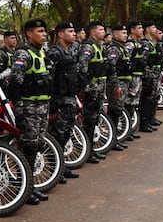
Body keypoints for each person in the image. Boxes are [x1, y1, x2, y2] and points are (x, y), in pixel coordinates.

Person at [9, 19, 54, 204]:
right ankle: (24, 188)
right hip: (29, 108)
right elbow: (15, 84)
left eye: (44, 31)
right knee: (28, 147)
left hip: (42, 107)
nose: (44, 34)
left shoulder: (40, 53)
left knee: (36, 146)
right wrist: (19, 113)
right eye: (40, 31)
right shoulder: (23, 54)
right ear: (29, 34)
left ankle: (30, 185)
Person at [46, 22, 81, 180]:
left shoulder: (69, 50)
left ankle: (61, 166)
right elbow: (49, 78)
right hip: (59, 100)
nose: (74, 34)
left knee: (66, 132)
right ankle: (56, 169)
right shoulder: (55, 52)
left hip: (69, 98)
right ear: (61, 34)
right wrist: (52, 104)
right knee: (58, 134)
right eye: (71, 31)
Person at [76, 20, 113, 162]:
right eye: (101, 30)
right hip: (91, 89)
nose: (103, 32)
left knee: (95, 119)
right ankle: (87, 152)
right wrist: (86, 90)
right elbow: (83, 70)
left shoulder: (100, 47)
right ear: (93, 32)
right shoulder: (88, 47)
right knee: (89, 121)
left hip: (99, 88)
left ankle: (92, 149)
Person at [104, 25, 131, 149]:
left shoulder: (121, 48)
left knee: (118, 110)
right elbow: (111, 68)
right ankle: (112, 140)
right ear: (115, 34)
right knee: (114, 111)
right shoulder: (114, 49)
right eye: (123, 33)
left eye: (126, 33)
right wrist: (115, 86)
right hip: (117, 84)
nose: (126, 35)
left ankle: (116, 138)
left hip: (123, 83)